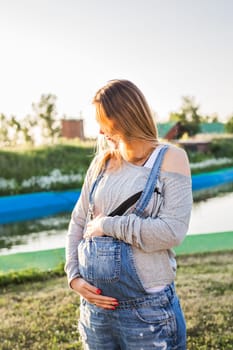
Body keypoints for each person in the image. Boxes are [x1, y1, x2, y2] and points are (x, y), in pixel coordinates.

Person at [65, 79, 193, 349]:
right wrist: (74, 277)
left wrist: (108, 225)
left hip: (147, 312)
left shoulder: (171, 158)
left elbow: (172, 232)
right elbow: (78, 221)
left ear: (124, 116)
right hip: (96, 313)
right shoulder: (102, 163)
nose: (100, 131)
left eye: (104, 121)